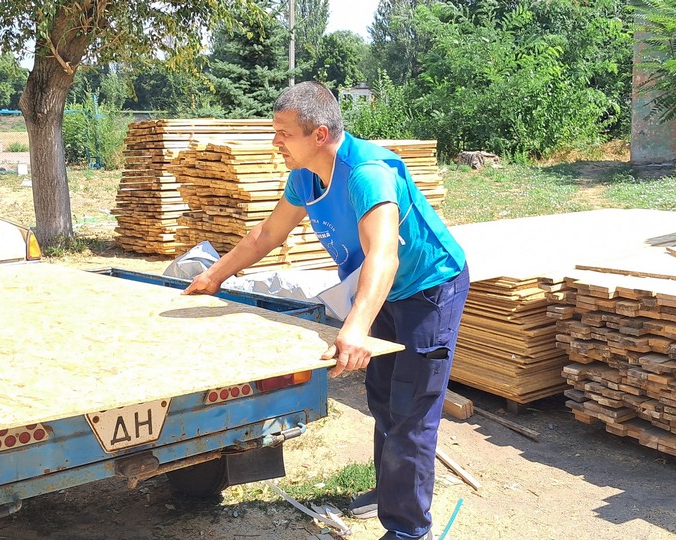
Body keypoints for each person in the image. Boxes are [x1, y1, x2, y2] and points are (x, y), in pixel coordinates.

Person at [184, 81, 468, 540]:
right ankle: (390, 491)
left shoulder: (367, 173)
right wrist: (214, 276)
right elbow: (267, 234)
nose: (275, 142)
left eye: (283, 133)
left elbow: (383, 255)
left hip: (428, 288)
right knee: (383, 401)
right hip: (381, 292)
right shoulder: (305, 176)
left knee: (412, 410)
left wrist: (354, 327)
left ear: (318, 135)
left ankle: (409, 530)